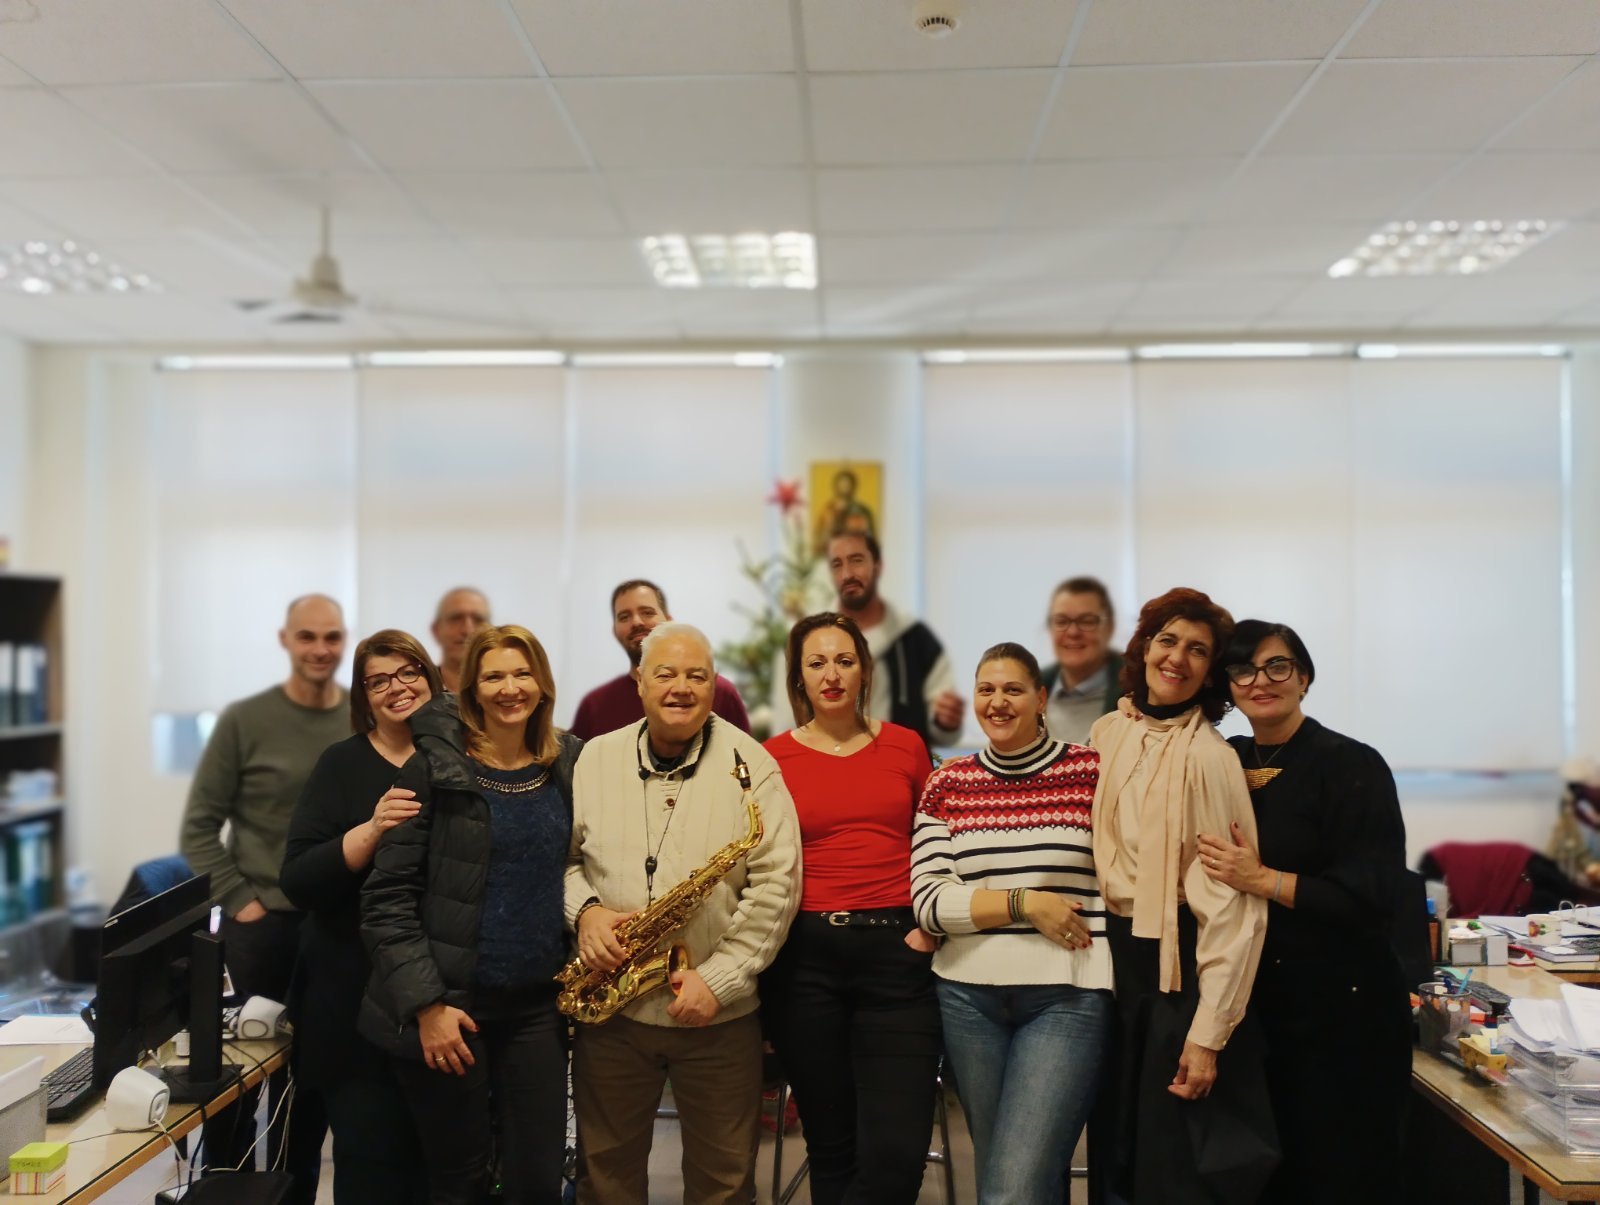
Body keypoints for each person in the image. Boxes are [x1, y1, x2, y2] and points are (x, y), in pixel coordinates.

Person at [565, 622, 800, 1205]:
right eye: (665, 674)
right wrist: (586, 913)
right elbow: (563, 861)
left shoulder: (753, 764)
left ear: (714, 685)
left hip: (719, 1017)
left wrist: (718, 980)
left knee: (724, 1182)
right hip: (613, 1010)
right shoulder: (594, 758)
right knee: (605, 1177)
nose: (681, 688)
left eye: (697, 676)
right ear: (639, 681)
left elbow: (778, 884)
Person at [360, 625, 582, 1205]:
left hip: (536, 1010)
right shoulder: (433, 768)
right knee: (460, 1183)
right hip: (451, 1010)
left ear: (542, 683)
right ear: (472, 691)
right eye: (494, 676)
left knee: (537, 1181)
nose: (510, 688)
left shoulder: (568, 764)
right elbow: (387, 899)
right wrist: (428, 1006)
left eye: (522, 673)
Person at [1195, 620, 1409, 1204]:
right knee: (1265, 1176)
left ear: (1305, 678)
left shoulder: (1350, 764)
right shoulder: (1223, 760)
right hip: (1256, 1008)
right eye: (1243, 670)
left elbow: (1372, 898)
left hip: (1342, 1010)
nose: (1259, 681)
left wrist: (1261, 879)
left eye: (1277, 666)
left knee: (1338, 1174)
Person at [911, 642, 1114, 1205]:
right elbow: (930, 902)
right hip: (967, 998)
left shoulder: (1091, 771)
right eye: (986, 690)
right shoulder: (947, 783)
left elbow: (1123, 872)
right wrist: (1027, 903)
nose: (997, 702)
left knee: (1011, 1188)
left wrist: (979, 905)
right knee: (1022, 1177)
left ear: (1041, 698)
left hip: (1068, 996)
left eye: (1013, 690)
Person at [1088, 587, 1272, 1204]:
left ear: (1211, 671)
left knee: (1169, 1167)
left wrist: (1207, 1034)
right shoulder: (1108, 732)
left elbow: (1235, 911)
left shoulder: (1211, 758)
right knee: (1113, 1147)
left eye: (1197, 650)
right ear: (1144, 648)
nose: (1177, 658)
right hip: (1110, 963)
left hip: (1177, 967)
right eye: (1167, 640)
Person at [762, 612, 939, 1205]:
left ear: (864, 670)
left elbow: (938, 842)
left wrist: (931, 928)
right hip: (805, 963)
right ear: (799, 677)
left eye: (844, 660)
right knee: (832, 1149)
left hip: (897, 954)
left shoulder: (906, 746)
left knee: (897, 1155)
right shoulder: (771, 759)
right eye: (816, 663)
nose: (831, 674)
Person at [178, 593, 340, 1201]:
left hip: (330, 929)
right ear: (285, 640)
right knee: (239, 1088)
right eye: (307, 636)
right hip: (259, 928)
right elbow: (198, 827)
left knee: (309, 1088)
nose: (320, 649)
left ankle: (294, 1194)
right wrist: (242, 900)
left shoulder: (360, 716)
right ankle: (228, 1192)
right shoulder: (245, 720)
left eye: (331, 636)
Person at [280, 629, 434, 1204]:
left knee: (441, 1168)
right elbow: (299, 880)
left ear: (431, 677)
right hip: (351, 1003)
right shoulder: (341, 764)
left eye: (409, 671)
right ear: (363, 697)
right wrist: (371, 830)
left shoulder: (466, 756)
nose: (398, 687)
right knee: (370, 1168)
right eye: (378, 681)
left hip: (438, 999)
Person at [826, 533, 963, 752]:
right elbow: (790, 726)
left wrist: (946, 720)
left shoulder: (916, 640)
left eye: (857, 560)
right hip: (832, 767)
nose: (847, 574)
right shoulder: (814, 641)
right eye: (837, 564)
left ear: (878, 565)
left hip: (904, 767)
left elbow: (943, 732)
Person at [569, 578, 751, 740]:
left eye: (647, 612)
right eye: (624, 617)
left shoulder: (721, 693)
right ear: (614, 629)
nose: (636, 622)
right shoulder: (594, 706)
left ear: (669, 621)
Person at [1041, 576, 1124, 745]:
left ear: (1110, 627)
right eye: (1061, 621)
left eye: (1087, 621)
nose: (1073, 632)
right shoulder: (1029, 693)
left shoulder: (1137, 697)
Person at [431, 586, 490, 692]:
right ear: (436, 630)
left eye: (478, 620)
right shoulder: (416, 694)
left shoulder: (507, 692)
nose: (468, 630)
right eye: (456, 619)